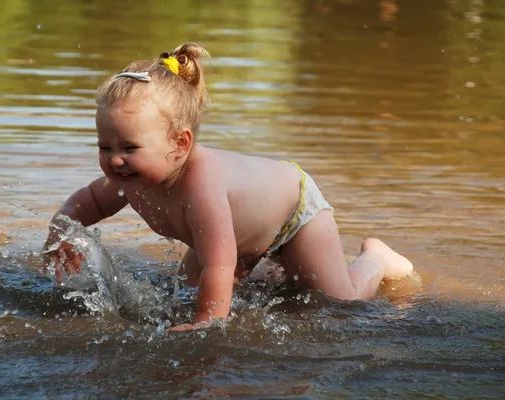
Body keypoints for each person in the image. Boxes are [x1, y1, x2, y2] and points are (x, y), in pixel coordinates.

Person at [42, 42, 414, 331]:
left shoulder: (201, 184)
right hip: (238, 235)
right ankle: (270, 267)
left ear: (180, 144)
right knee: (189, 293)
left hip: (294, 214)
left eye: (130, 148)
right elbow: (89, 200)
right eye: (104, 147)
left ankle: (376, 259)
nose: (115, 160)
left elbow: (219, 264)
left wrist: (207, 322)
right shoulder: (128, 180)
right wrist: (61, 230)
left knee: (337, 302)